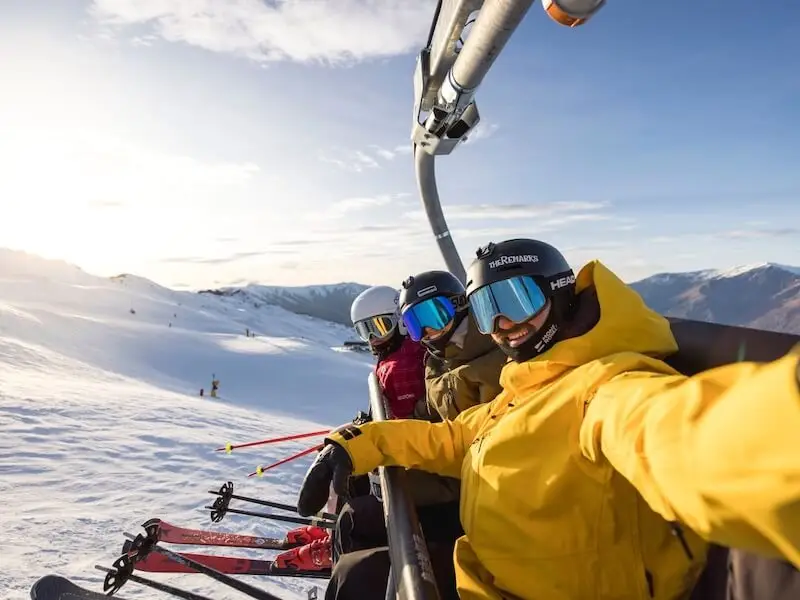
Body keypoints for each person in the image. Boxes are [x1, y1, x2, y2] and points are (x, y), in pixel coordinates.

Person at [295, 238, 800, 600]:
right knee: (360, 575)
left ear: (559, 293)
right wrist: (354, 443)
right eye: (488, 307)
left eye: (517, 300)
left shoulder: (605, 386)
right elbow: (449, 438)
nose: (504, 326)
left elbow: (687, 433)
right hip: (487, 576)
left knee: (363, 578)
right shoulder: (526, 386)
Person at [399, 269, 507, 420]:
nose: (427, 329)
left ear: (459, 303)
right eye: (415, 323)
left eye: (433, 316)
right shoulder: (434, 363)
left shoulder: (500, 343)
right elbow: (432, 413)